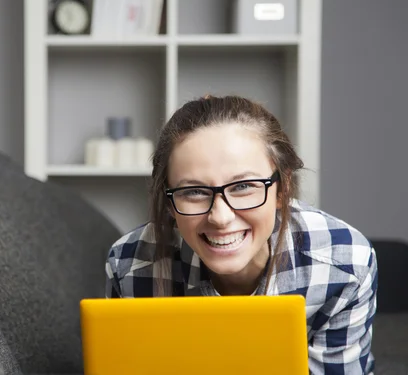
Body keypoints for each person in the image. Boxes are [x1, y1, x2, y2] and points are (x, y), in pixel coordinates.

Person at [104, 95, 378, 375]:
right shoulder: (131, 265)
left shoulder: (344, 265)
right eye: (194, 191)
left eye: (244, 186)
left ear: (282, 190)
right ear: (169, 204)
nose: (220, 218)